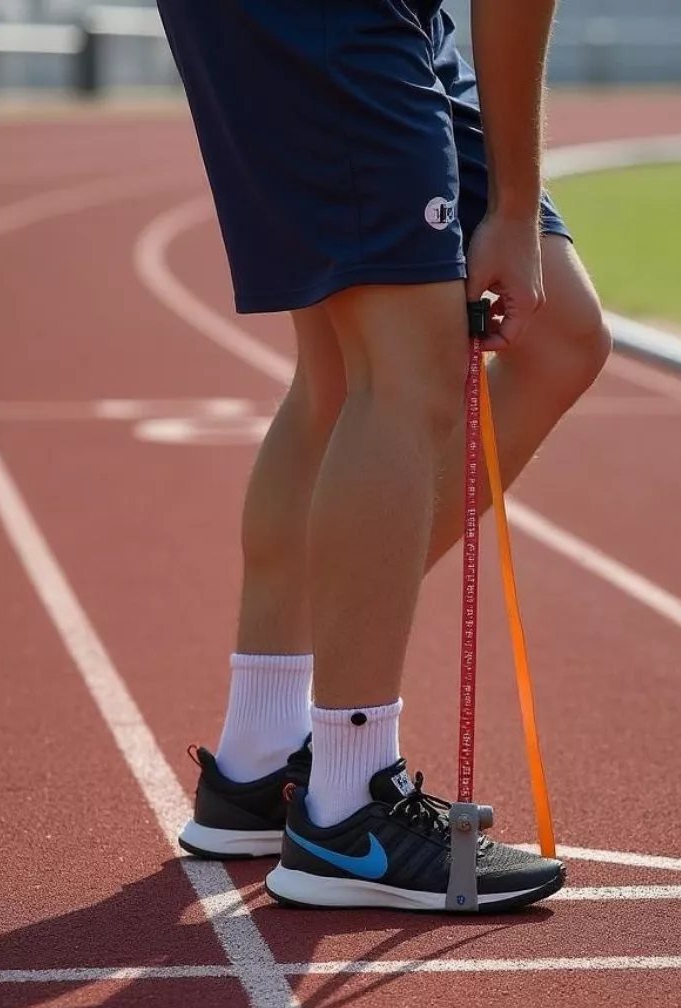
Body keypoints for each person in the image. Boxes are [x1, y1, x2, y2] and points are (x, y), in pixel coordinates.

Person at [158, 0, 611, 912]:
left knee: (540, 338)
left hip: (388, 22)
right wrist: (513, 209)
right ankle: (349, 805)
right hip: (322, 17)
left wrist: (518, 211)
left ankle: (262, 755)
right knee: (405, 374)